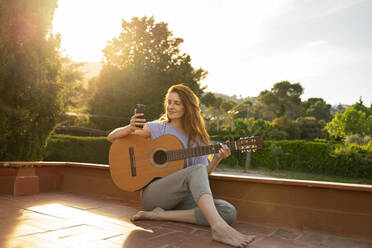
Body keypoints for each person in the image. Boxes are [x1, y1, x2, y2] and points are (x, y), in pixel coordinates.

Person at [107, 84, 256, 247]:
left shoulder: (198, 139)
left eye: (177, 103)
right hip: (155, 194)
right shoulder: (158, 128)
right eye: (169, 102)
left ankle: (160, 216)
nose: (171, 107)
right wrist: (129, 128)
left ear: (187, 107)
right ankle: (218, 228)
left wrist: (216, 159)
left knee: (228, 211)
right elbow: (111, 137)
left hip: (181, 198)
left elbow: (201, 175)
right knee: (214, 208)